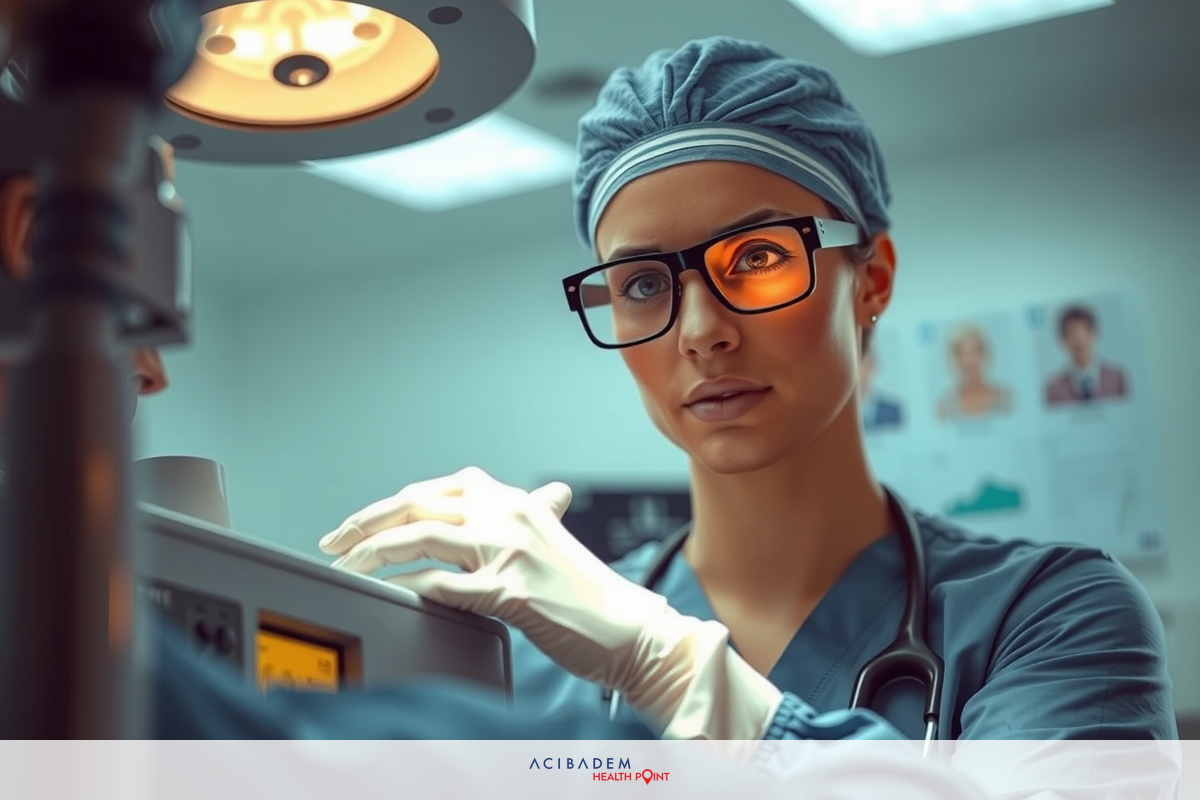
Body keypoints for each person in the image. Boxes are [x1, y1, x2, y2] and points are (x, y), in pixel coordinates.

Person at [319, 36, 1177, 742]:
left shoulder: (1051, 618)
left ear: (871, 278)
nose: (701, 330)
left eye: (759, 258)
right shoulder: (533, 657)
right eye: (645, 285)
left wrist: (667, 665)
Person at [1044, 304, 1127, 405]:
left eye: (1084, 331)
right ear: (1062, 340)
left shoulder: (1117, 378)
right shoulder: (1053, 389)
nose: (1079, 340)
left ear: (1094, 334)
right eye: (1072, 333)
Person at [934, 323, 1012, 421]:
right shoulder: (944, 406)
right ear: (953, 358)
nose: (969, 360)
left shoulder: (1005, 398)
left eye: (975, 351)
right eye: (961, 353)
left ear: (985, 354)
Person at [859, 338, 903, 432]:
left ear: (873, 365)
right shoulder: (837, 413)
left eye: (865, 363)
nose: (861, 370)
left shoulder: (894, 410)